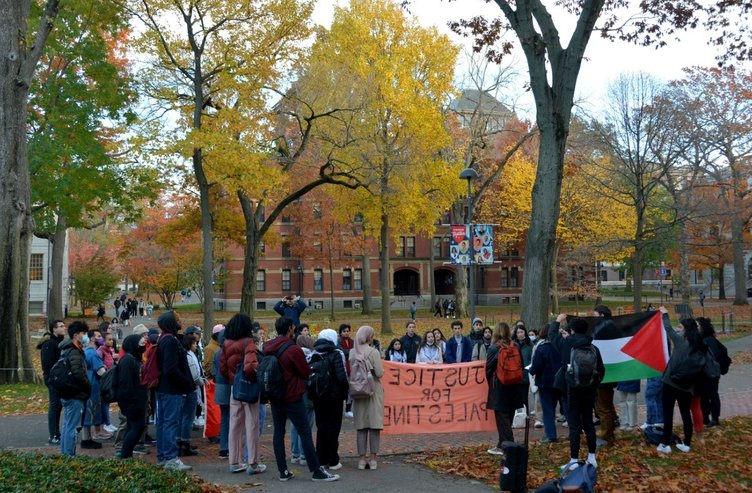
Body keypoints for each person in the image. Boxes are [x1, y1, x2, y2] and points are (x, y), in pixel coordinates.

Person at [264, 317, 339, 482]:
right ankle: (316, 471)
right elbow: (305, 372)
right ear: (290, 328)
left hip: (275, 395)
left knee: (278, 432)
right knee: (304, 432)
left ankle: (283, 471)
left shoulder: (268, 346)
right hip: (292, 395)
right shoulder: (293, 349)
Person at [219, 314, 265, 475]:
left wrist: (233, 378)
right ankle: (253, 463)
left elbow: (223, 368)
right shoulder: (248, 342)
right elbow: (251, 366)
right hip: (249, 387)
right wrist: (253, 379)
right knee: (252, 425)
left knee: (235, 425)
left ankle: (234, 461)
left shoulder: (226, 343)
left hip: (235, 388)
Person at [557, 316, 604, 471]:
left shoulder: (568, 345)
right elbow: (601, 370)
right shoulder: (593, 347)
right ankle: (592, 456)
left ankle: (574, 459)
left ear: (572, 330)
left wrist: (557, 321)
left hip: (573, 391)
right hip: (589, 391)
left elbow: (564, 366)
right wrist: (594, 385)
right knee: (589, 423)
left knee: (574, 426)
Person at [657, 307, 706, 454]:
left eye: (681, 327)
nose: (678, 329)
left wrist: (664, 313)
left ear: (686, 330)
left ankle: (665, 443)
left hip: (671, 382)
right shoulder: (700, 345)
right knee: (685, 413)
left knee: (668, 413)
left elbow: (668, 328)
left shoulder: (680, 341)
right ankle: (687, 443)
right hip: (687, 386)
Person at [155, 310, 194, 471]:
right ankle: (170, 457)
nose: (181, 321)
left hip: (164, 388)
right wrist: (187, 383)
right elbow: (170, 368)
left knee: (163, 423)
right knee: (170, 423)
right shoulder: (170, 341)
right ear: (171, 322)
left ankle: (163, 456)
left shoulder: (163, 339)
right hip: (171, 390)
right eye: (177, 319)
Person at [311, 329, 349, 470]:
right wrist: (345, 393)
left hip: (318, 396)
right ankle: (333, 459)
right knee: (334, 428)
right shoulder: (336, 353)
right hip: (334, 396)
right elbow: (342, 376)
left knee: (321, 427)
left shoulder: (314, 353)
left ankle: (320, 458)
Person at [485, 323, 524, 455]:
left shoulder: (494, 348)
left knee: (502, 420)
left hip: (500, 387)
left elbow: (488, 370)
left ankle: (509, 447)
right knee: (509, 416)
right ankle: (502, 444)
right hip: (514, 386)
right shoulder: (516, 346)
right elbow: (521, 365)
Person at [350, 325, 384, 470]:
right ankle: (373, 459)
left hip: (358, 391)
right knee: (374, 426)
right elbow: (379, 373)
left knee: (361, 427)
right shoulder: (374, 352)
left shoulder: (352, 352)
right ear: (369, 336)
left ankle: (361, 460)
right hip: (373, 390)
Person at [58, 321, 91, 456]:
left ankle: (65, 453)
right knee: (72, 426)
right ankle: (69, 454)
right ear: (76, 335)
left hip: (67, 392)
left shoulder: (66, 349)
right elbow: (78, 373)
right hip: (74, 393)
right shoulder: (74, 352)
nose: (85, 336)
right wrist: (87, 386)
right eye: (83, 333)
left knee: (67, 425)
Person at [116, 334, 148, 459]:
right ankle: (125, 454)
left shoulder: (134, 359)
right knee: (137, 427)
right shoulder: (128, 361)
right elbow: (126, 384)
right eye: (140, 343)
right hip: (132, 401)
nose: (143, 345)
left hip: (137, 399)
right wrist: (132, 402)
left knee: (133, 427)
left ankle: (127, 453)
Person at [529, 324, 562, 442]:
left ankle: (550, 435)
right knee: (556, 408)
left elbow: (536, 365)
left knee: (547, 410)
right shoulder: (559, 346)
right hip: (559, 382)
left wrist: (531, 370)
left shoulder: (542, 348)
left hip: (545, 383)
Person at [591, 305, 618, 448]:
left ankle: (606, 434)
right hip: (609, 372)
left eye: (594, 315)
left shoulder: (603, 327)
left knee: (603, 406)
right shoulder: (612, 326)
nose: (593, 318)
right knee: (606, 404)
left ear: (601, 315)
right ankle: (610, 431)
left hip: (604, 374)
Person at [39, 319, 66, 445]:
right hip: (53, 380)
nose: (63, 328)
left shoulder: (62, 342)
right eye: (60, 326)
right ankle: (53, 434)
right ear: (54, 329)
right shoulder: (49, 344)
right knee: (55, 407)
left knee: (60, 406)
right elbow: (48, 364)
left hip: (63, 380)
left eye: (64, 326)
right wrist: (52, 379)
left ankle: (60, 433)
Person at [698, 317, 729, 426]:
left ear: (703, 328)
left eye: (698, 326)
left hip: (711, 373)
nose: (697, 328)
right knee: (704, 396)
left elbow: (717, 355)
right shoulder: (707, 339)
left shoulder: (708, 340)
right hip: (706, 373)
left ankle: (714, 418)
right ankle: (706, 417)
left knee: (711, 395)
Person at [290, 335, 316, 467]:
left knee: (295, 425)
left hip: (294, 393)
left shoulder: (292, 354)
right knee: (306, 425)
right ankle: (304, 454)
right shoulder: (312, 356)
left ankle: (294, 453)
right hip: (307, 393)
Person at [82, 329, 108, 445]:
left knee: (87, 411)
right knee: (92, 411)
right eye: (98, 336)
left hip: (87, 385)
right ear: (92, 338)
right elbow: (101, 371)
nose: (100, 338)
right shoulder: (93, 354)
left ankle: (86, 438)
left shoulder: (85, 352)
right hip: (94, 386)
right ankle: (88, 439)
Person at [179, 336, 201, 458]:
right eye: (194, 343)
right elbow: (194, 375)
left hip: (187, 389)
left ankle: (183, 441)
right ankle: (185, 442)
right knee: (188, 417)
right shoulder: (189, 356)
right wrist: (200, 381)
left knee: (184, 417)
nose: (196, 345)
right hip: (190, 389)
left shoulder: (189, 355)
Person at [213, 328, 231, 459]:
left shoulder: (217, 353)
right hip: (228, 386)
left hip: (219, 386)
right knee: (232, 417)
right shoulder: (228, 352)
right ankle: (230, 446)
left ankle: (224, 447)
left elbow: (214, 372)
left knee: (224, 417)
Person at [338, 323, 354, 419]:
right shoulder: (338, 341)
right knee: (343, 389)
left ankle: (348, 409)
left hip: (352, 367)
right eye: (344, 331)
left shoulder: (352, 341)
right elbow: (342, 352)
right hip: (343, 367)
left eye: (348, 331)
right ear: (340, 333)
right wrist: (350, 352)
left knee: (351, 390)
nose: (346, 333)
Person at [516, 326, 534, 409]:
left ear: (525, 333)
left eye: (521, 332)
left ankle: (525, 415)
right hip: (515, 373)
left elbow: (532, 358)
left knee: (524, 396)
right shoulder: (513, 344)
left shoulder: (530, 344)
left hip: (525, 374)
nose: (520, 334)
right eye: (518, 332)